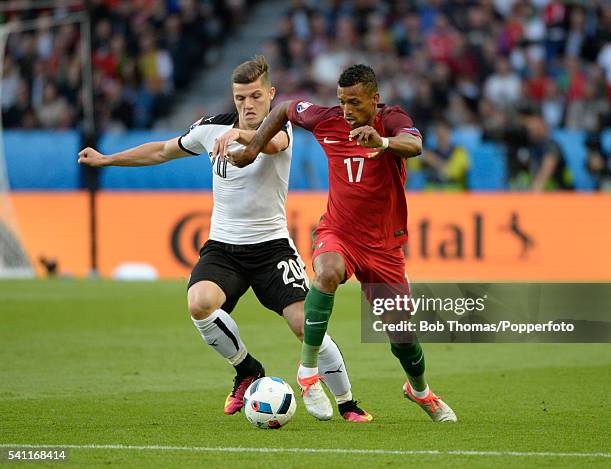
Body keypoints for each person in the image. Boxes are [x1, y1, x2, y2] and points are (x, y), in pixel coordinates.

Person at [77, 56, 370, 423]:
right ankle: (247, 369)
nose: (248, 105)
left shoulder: (282, 126)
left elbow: (274, 144)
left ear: (271, 95)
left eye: (255, 97)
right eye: (240, 98)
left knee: (304, 324)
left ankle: (347, 402)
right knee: (199, 303)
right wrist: (107, 160)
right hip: (223, 248)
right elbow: (163, 150)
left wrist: (243, 135)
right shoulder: (211, 129)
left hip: (271, 248)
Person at [227, 64, 457, 422]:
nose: (347, 110)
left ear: (375, 100)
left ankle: (419, 390)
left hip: (384, 246)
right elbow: (286, 109)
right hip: (339, 232)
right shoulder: (327, 120)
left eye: (355, 102)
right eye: (342, 101)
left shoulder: (393, 119)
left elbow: (414, 145)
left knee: (403, 338)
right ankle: (307, 373)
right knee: (328, 271)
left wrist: (381, 142)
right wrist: (255, 148)